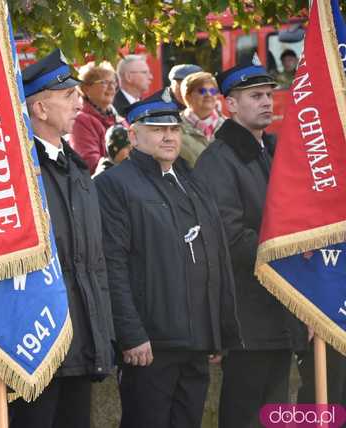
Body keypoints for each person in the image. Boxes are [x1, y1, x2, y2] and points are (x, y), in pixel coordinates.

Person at [94, 89, 242, 428]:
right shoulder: (114, 184)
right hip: (151, 344)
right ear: (133, 134)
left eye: (174, 129)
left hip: (196, 339)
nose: (169, 136)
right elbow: (112, 265)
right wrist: (130, 334)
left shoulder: (191, 180)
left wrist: (217, 328)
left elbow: (214, 252)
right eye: (158, 129)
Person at [194, 61, 306, 428]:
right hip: (246, 310)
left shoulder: (268, 152)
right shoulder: (218, 160)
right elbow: (229, 235)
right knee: (245, 412)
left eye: (269, 94)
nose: (267, 102)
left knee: (272, 410)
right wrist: (286, 254)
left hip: (277, 305)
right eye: (255, 96)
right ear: (230, 105)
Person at [9, 48, 116, 428]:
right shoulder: (19, 169)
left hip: (80, 335)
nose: (78, 101)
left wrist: (102, 332)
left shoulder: (74, 168)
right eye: (68, 95)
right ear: (39, 109)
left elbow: (94, 261)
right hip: (36, 340)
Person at [69, 62, 119, 174]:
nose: (112, 87)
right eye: (104, 82)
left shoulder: (117, 118)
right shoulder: (80, 120)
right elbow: (89, 163)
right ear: (86, 88)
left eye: (113, 83)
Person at [179, 71, 225, 168]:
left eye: (213, 91)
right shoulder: (174, 128)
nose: (208, 94)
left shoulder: (230, 127)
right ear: (188, 96)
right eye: (202, 91)